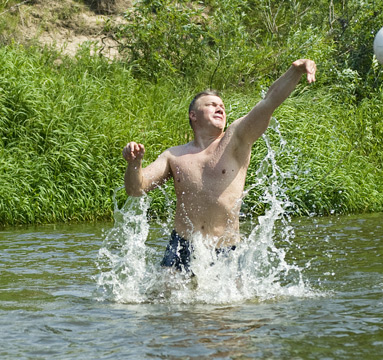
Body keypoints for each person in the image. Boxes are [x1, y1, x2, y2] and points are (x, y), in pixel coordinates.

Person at [122, 59, 316, 274]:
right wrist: (134, 164)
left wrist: (295, 71)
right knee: (162, 303)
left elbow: (269, 102)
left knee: (224, 308)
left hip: (226, 249)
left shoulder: (236, 139)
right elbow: (135, 189)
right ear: (193, 115)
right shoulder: (173, 156)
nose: (220, 108)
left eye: (222, 106)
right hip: (182, 247)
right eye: (211, 105)